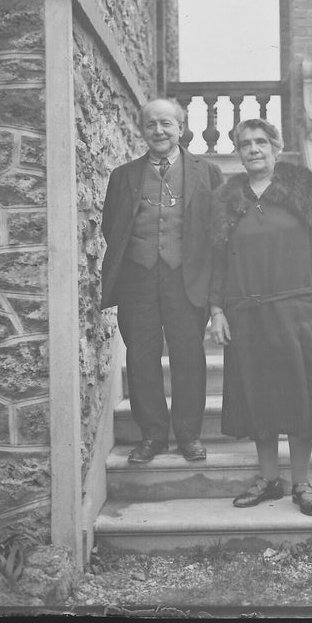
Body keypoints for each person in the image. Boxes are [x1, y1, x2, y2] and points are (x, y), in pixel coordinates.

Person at [209, 119, 312, 516]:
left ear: (275, 148)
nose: (253, 149)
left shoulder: (298, 190)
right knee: (259, 396)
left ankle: (301, 482)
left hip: (295, 308)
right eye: (244, 144)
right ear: (238, 152)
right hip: (246, 313)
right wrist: (217, 310)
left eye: (260, 142)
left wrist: (299, 249)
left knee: (299, 396)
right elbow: (217, 260)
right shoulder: (226, 201)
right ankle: (269, 479)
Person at [101, 98, 223, 463]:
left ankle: (188, 435)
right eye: (152, 124)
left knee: (189, 358)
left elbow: (217, 231)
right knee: (140, 358)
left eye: (166, 124)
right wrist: (141, 255)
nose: (159, 131)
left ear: (181, 127)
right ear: (142, 130)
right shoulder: (123, 176)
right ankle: (152, 435)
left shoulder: (208, 172)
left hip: (187, 279)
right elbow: (113, 226)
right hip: (138, 280)